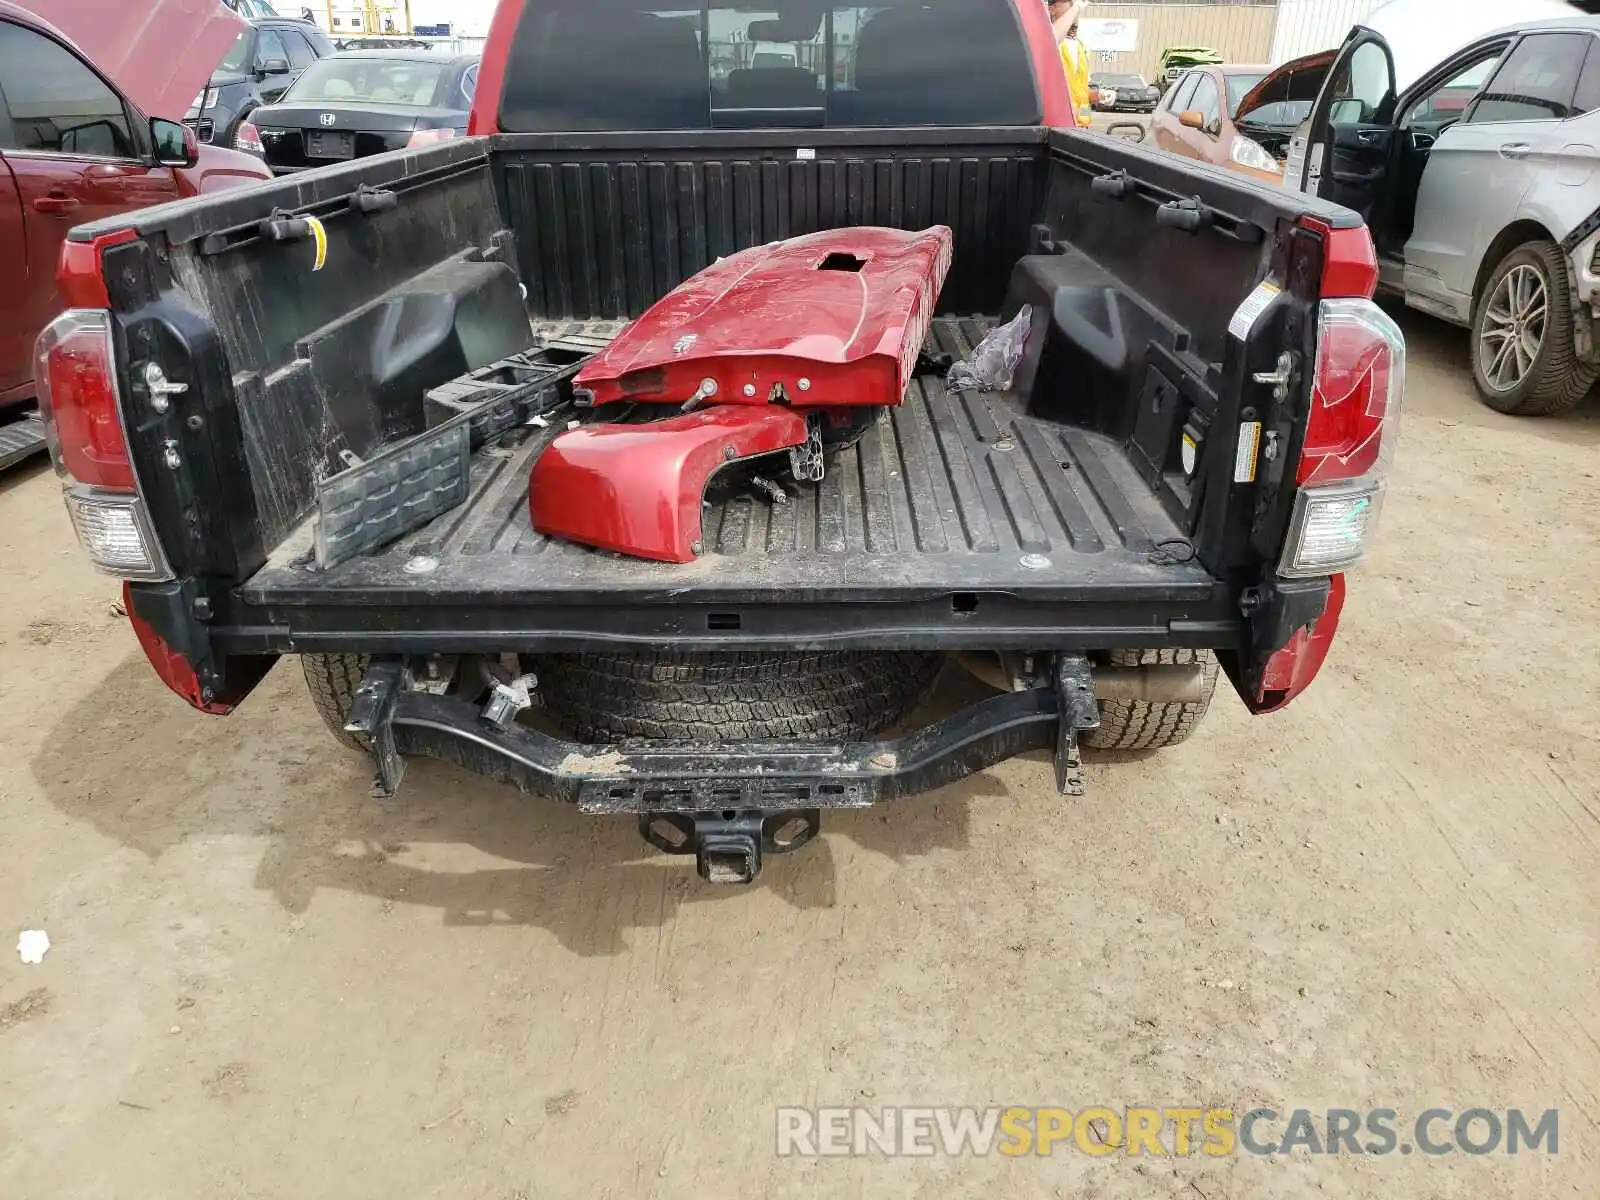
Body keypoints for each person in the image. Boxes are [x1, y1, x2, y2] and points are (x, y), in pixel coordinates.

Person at [1049, 0, 1093, 126]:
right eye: (1069, 1)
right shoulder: (1050, 42)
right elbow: (1051, 38)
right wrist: (1075, 8)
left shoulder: (1081, 47)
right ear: (1052, 9)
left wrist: (1099, 95)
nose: (1075, 3)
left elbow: (1080, 92)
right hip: (1058, 127)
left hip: (1081, 129)